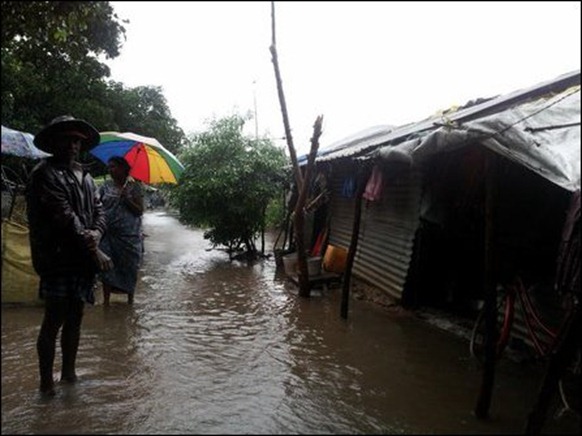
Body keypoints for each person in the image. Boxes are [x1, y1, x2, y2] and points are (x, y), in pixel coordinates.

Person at [26, 115, 113, 397]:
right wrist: (94, 246)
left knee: (76, 317)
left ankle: (69, 375)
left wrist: (98, 235)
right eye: (67, 139)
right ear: (53, 142)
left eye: (77, 140)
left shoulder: (86, 176)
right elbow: (64, 217)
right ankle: (46, 386)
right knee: (54, 319)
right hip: (57, 258)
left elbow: (99, 212)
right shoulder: (44, 174)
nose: (73, 145)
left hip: (82, 260)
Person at [98, 156, 144, 306]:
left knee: (130, 267)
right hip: (107, 234)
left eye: (114, 167)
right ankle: (106, 303)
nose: (111, 170)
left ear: (124, 168)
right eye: (109, 167)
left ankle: (130, 301)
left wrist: (127, 199)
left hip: (128, 236)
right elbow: (97, 206)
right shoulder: (105, 186)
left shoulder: (135, 187)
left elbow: (139, 211)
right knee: (107, 267)